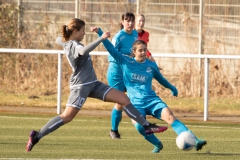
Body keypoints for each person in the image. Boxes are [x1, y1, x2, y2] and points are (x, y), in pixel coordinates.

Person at [25, 18, 168, 152]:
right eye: (82, 31)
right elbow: (82, 51)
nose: (84, 33)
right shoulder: (74, 44)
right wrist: (101, 38)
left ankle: (146, 126)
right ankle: (37, 135)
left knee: (123, 99)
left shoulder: (67, 42)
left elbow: (59, 39)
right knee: (67, 117)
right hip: (81, 86)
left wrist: (62, 38)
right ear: (75, 32)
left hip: (93, 83)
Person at [92, 27, 207, 153]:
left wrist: (171, 87)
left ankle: (195, 141)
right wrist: (100, 33)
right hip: (135, 103)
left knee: (170, 116)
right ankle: (157, 144)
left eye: (145, 50)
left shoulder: (151, 66)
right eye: (140, 50)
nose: (143, 53)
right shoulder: (125, 61)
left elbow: (161, 79)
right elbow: (111, 49)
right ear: (134, 51)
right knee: (139, 126)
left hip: (152, 100)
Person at [107, 12, 138, 139]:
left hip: (129, 73)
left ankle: (143, 124)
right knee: (120, 102)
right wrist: (126, 58)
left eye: (132, 21)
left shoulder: (135, 34)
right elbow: (111, 56)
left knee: (136, 97)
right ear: (122, 22)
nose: (130, 23)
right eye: (127, 20)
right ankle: (114, 130)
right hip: (116, 74)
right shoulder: (118, 37)